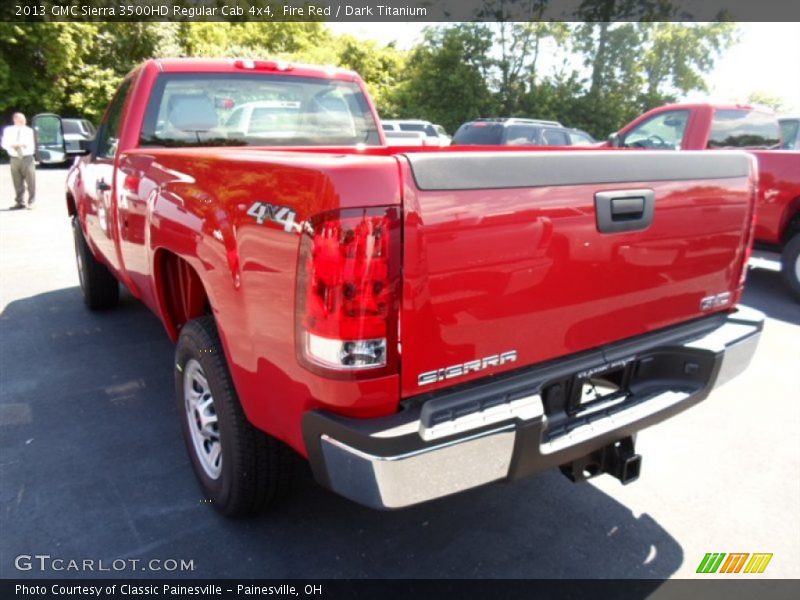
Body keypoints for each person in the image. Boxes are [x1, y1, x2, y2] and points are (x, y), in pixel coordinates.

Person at [1, 112, 36, 209]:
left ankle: (31, 201)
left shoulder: (29, 131)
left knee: (30, 180)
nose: (23, 121)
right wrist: (13, 145)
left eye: (23, 119)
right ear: (14, 120)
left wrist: (20, 145)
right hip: (14, 157)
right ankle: (20, 202)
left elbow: (31, 144)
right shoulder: (8, 130)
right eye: (20, 119)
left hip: (27, 157)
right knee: (17, 181)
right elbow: (4, 143)